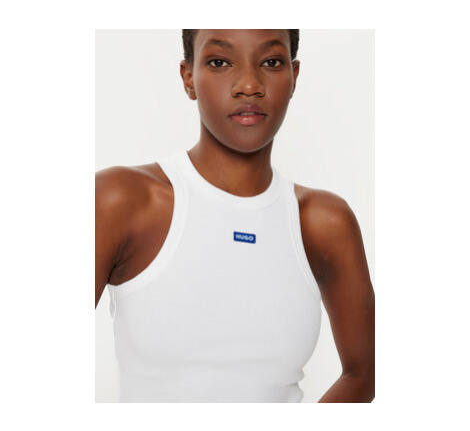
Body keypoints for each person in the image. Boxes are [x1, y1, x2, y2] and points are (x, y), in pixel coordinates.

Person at [95, 29, 375, 403]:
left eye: (271, 62)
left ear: (293, 77)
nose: (248, 85)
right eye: (219, 62)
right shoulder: (122, 200)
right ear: (188, 77)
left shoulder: (324, 222)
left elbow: (364, 375)